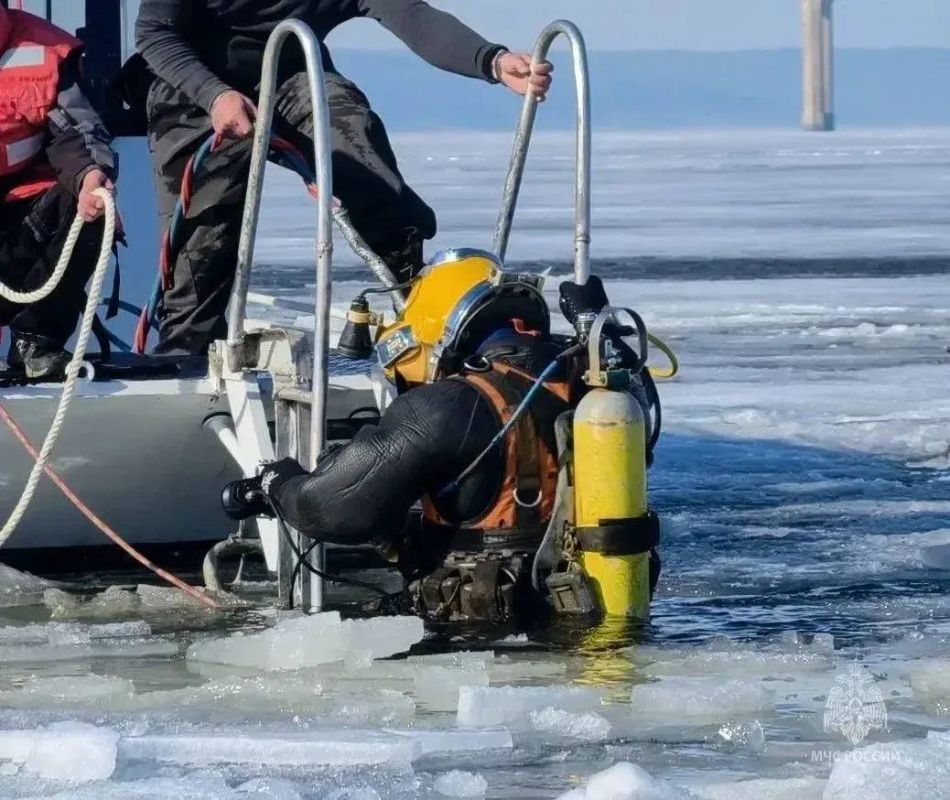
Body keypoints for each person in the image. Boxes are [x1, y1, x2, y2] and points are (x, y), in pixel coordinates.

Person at [222, 255, 660, 622]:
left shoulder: (445, 404)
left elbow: (330, 508)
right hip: (589, 607)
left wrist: (276, 482)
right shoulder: (590, 385)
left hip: (479, 638)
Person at [135, 0, 554, 356]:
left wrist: (492, 60)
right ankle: (184, 359)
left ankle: (427, 319)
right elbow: (154, 34)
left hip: (293, 77)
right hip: (193, 89)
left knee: (355, 137)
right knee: (200, 255)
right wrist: (215, 95)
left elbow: (410, 14)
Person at [0, 5, 118, 382]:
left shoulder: (42, 51)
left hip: (18, 237)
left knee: (92, 205)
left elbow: (75, 129)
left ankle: (35, 342)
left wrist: (89, 175)